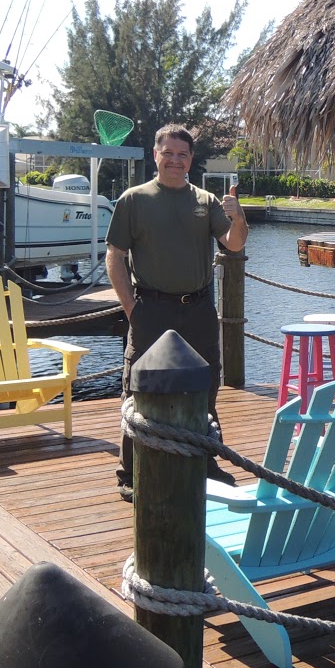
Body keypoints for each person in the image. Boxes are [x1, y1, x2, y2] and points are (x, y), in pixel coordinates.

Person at [107, 123, 248, 501]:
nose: (174, 160)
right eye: (167, 152)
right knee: (137, 387)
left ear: (190, 160)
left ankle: (206, 460)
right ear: (156, 155)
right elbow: (115, 258)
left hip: (198, 310)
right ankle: (131, 471)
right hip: (151, 309)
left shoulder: (205, 201)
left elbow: (233, 244)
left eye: (182, 154)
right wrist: (133, 310)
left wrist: (238, 217)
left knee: (207, 386)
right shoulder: (134, 200)